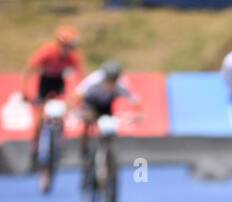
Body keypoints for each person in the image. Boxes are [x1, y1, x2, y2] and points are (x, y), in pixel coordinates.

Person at [22, 26, 86, 168]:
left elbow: (82, 78)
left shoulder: (73, 57)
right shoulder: (47, 51)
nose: (69, 50)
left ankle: (59, 142)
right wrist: (24, 91)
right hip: (44, 82)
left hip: (59, 83)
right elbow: (29, 69)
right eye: (67, 47)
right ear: (60, 44)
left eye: (72, 47)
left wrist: (79, 97)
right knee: (39, 118)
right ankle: (35, 148)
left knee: (62, 113)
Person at [70, 61, 142, 181]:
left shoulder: (121, 84)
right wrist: (76, 111)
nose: (111, 83)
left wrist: (139, 114)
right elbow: (76, 96)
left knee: (109, 128)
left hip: (106, 107)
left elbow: (135, 101)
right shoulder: (93, 81)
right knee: (88, 122)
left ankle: (109, 153)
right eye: (109, 80)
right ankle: (85, 151)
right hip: (90, 104)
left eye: (114, 80)